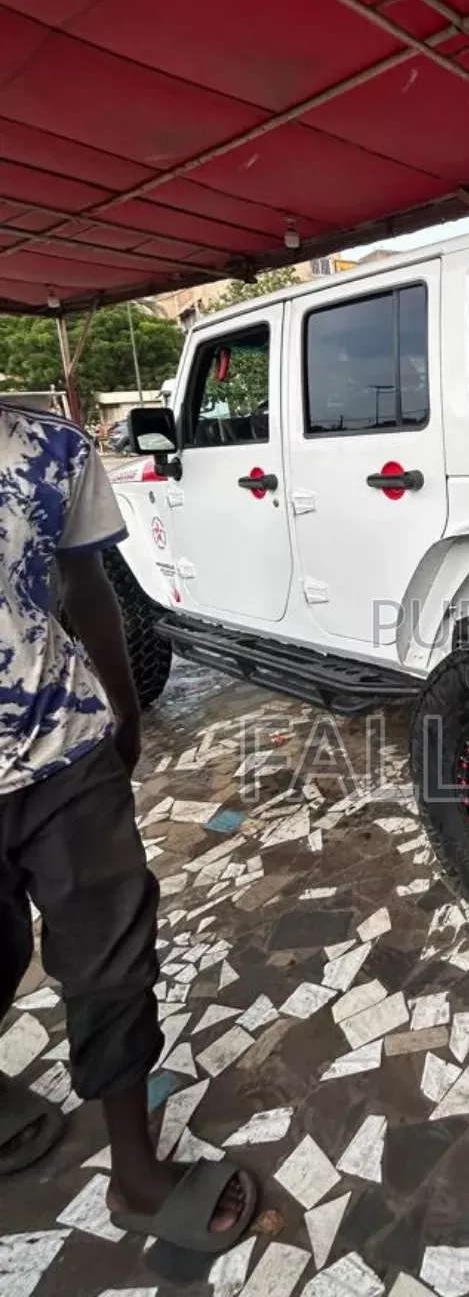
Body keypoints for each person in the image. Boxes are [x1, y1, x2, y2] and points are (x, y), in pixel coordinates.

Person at [0, 402, 257, 1252]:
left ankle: (137, 1175)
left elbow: (86, 589)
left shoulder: (54, 449)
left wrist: (124, 707)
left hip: (64, 751)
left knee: (110, 954)